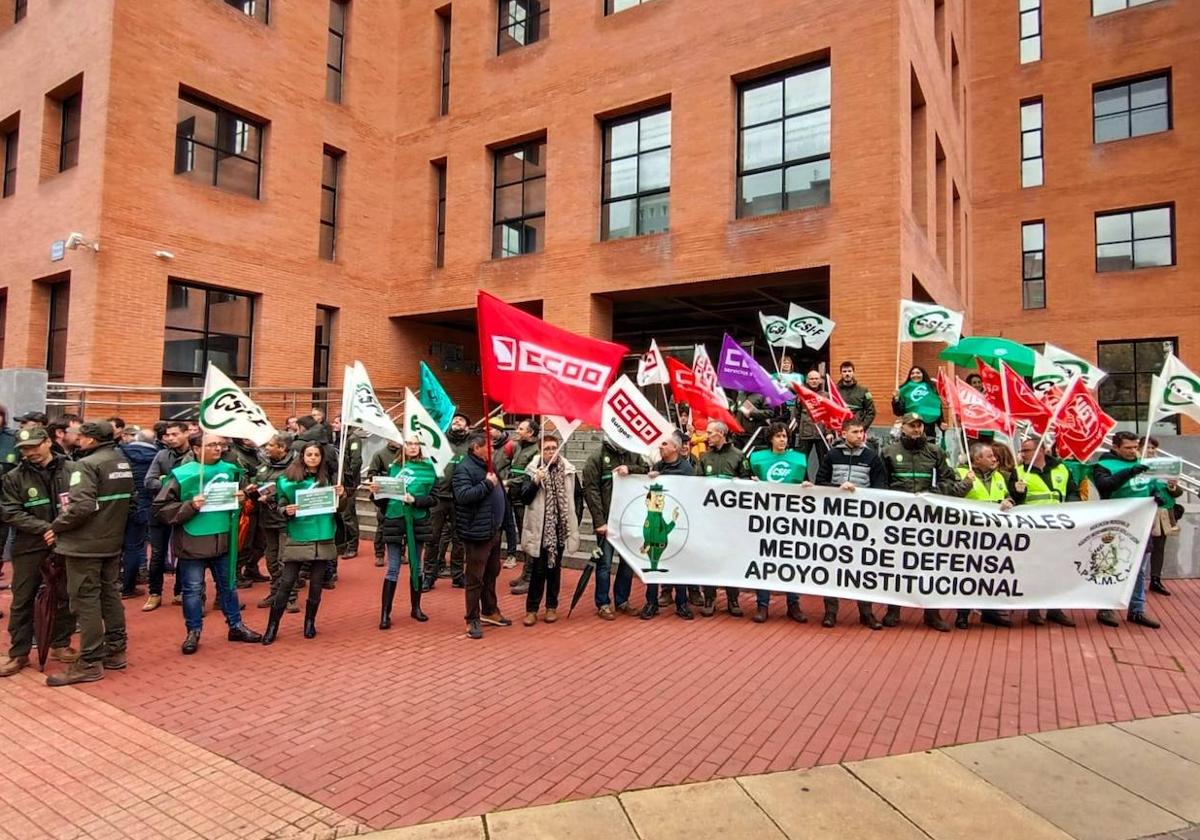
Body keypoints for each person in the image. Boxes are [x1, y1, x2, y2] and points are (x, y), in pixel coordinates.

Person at [152, 432, 263, 654]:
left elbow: (241, 501)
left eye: (220, 445)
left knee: (228, 587)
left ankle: (236, 626)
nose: (218, 449)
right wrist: (190, 506)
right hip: (192, 541)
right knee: (192, 590)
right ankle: (193, 631)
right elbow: (161, 510)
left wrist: (244, 496)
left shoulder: (231, 471)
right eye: (212, 445)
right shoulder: (182, 475)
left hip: (223, 540)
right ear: (195, 448)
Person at [45, 421, 133, 686]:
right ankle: (115, 649)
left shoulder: (85, 464)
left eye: (81, 436)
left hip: (85, 545)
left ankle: (90, 661)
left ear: (92, 440)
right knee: (109, 594)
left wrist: (56, 526)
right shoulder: (120, 461)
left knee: (86, 600)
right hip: (111, 540)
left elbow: (80, 506)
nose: (77, 439)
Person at [880, 413, 971, 632]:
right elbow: (880, 485)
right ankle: (893, 610)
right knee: (897, 566)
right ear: (903, 428)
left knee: (930, 566)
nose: (916, 430)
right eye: (912, 426)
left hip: (929, 520)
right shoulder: (888, 452)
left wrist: (933, 493)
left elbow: (949, 479)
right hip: (899, 520)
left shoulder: (935, 452)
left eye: (919, 426)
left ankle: (932, 613)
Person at [0, 427, 78, 677]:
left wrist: (60, 529)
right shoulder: (14, 477)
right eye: (24, 449)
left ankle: (60, 644)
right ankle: (18, 653)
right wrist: (46, 528)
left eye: (34, 446)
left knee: (65, 595)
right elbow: (10, 511)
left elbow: (84, 503)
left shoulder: (72, 469)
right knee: (23, 599)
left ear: (47, 442)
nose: (30, 452)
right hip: (29, 546)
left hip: (67, 543)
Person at [263, 443, 344, 644]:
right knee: (287, 581)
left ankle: (310, 622)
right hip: (298, 535)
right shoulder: (288, 480)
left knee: (316, 584)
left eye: (317, 454)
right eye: (309, 454)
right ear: (303, 456)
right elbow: (280, 503)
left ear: (321, 457)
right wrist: (285, 510)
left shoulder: (330, 479)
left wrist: (342, 496)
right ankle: (272, 626)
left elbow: (339, 509)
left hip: (323, 534)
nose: (313, 457)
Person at [814, 419, 886, 629]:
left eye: (862, 432)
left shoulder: (872, 457)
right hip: (835, 520)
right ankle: (830, 612)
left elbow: (880, 487)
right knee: (832, 565)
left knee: (863, 567)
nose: (860, 435)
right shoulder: (832, 455)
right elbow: (820, 482)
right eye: (855, 432)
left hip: (862, 521)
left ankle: (866, 612)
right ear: (844, 434)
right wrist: (838, 487)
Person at [1093, 432, 1162, 629]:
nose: (1133, 452)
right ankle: (1106, 608)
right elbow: (1105, 486)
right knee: (1112, 566)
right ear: (1115, 447)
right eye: (1128, 448)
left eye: (1135, 447)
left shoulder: (1143, 464)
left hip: (1141, 523)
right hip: (1116, 524)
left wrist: (1158, 494)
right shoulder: (1104, 465)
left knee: (1139, 569)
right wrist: (1130, 472)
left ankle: (1137, 610)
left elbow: (1153, 486)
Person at [953, 442, 1024, 630]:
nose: (995, 459)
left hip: (994, 534)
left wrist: (1011, 499)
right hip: (969, 533)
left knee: (993, 573)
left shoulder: (1000, 476)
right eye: (990, 456)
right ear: (977, 459)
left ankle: (990, 612)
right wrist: (966, 483)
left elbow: (1007, 497)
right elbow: (950, 497)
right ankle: (962, 614)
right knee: (967, 573)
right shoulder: (960, 474)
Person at [747, 422, 810, 624]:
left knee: (791, 560)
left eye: (785, 436)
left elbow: (806, 482)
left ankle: (793, 603)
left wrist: (808, 486)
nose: (782, 440)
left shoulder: (799, 460)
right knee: (764, 560)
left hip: (791, 517)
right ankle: (762, 604)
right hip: (766, 516)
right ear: (770, 439)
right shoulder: (757, 459)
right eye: (778, 436)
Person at [371, 435, 437, 629]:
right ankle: (385, 613)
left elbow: (434, 498)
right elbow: (382, 500)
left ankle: (416, 608)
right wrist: (376, 492)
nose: (413, 447)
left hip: (417, 521)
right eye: (409, 443)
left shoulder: (429, 469)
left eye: (417, 443)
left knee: (416, 566)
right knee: (393, 568)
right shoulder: (394, 468)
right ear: (403, 446)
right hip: (394, 519)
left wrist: (415, 500)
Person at [582, 433, 648, 620]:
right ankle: (603, 603)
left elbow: (646, 470)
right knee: (604, 564)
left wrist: (630, 468)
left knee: (627, 563)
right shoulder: (596, 458)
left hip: (628, 520)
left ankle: (622, 600)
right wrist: (599, 521)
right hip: (608, 522)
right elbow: (591, 490)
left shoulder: (633, 455)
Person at [452, 431, 511, 640]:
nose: (493, 450)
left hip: (493, 529)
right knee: (475, 576)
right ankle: (472, 618)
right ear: (476, 448)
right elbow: (463, 496)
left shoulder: (488, 466)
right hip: (477, 531)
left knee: (491, 572)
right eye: (489, 447)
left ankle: (489, 610)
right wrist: (487, 484)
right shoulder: (464, 469)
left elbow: (500, 494)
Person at [517, 435, 579, 626]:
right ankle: (532, 609)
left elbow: (577, 497)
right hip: (539, 528)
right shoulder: (532, 470)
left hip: (559, 527)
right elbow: (524, 498)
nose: (551, 452)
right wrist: (536, 481)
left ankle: (551, 606)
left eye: (554, 448)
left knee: (554, 569)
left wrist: (571, 520)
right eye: (547, 449)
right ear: (540, 451)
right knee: (538, 569)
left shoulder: (568, 470)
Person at [1015, 436, 1077, 627]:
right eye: (1022, 451)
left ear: (1040, 451)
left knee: (1058, 569)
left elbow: (1072, 492)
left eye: (1027, 450)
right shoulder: (1018, 473)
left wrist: (1074, 510)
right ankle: (1034, 609)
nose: (1022, 454)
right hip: (1033, 529)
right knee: (1035, 569)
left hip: (1059, 527)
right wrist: (1018, 492)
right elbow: (1013, 500)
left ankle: (1055, 609)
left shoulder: (1061, 469)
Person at [641, 432, 697, 620]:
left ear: (675, 447)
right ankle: (651, 602)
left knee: (678, 564)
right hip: (657, 522)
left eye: (664, 444)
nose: (660, 447)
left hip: (678, 523)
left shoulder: (686, 469)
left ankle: (682, 603)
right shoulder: (658, 466)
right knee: (653, 564)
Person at [142, 420, 191, 611]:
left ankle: (180, 591)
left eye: (175, 434)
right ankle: (155, 593)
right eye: (168, 435)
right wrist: (168, 483)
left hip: (183, 510)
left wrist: (166, 481)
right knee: (157, 554)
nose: (171, 438)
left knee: (183, 552)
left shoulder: (194, 456)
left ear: (186, 433)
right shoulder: (162, 455)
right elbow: (149, 481)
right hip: (160, 511)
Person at [699, 421, 745, 617]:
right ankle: (709, 597)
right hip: (710, 519)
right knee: (709, 558)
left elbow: (747, 483)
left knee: (731, 558)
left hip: (731, 520)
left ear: (721, 434)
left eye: (710, 433)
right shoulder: (704, 457)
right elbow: (695, 484)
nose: (707, 436)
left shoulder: (738, 456)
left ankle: (733, 599)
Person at [253, 433, 300, 614]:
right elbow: (257, 481)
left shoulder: (294, 468)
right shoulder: (265, 465)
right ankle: (275, 592)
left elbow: (295, 490)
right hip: (266, 519)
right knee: (271, 560)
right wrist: (253, 488)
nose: (267, 448)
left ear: (282, 448)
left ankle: (291, 597)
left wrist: (272, 496)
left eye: (271, 445)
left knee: (285, 559)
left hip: (285, 520)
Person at [424, 412, 471, 590]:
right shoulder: (440, 441)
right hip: (439, 496)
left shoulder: (471, 444)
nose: (457, 421)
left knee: (459, 539)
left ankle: (458, 575)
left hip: (461, 498)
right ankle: (429, 575)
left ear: (467, 426)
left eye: (461, 419)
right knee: (433, 537)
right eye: (455, 419)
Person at [118, 428, 158, 599]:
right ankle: (128, 587)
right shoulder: (158, 456)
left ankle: (112, 583)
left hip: (118, 505)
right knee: (134, 547)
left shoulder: (120, 453)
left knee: (114, 547)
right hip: (143, 506)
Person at [503, 419, 540, 595]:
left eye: (521, 428)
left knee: (529, 537)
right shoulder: (517, 446)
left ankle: (531, 577)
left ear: (531, 432)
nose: (517, 431)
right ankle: (525, 572)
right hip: (514, 497)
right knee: (523, 538)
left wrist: (509, 481)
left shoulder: (536, 451)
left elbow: (529, 475)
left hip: (526, 497)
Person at [1142, 436, 1182, 597]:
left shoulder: (1165, 466)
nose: (1150, 451)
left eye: (1153, 448)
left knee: (1159, 546)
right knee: (1141, 547)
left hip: (1164, 511)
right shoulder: (1135, 466)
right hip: (1143, 510)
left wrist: (1172, 486)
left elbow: (1178, 493)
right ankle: (1136, 579)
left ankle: (1156, 579)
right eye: (1147, 447)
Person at [367, 439, 402, 569]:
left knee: (400, 524)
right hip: (384, 495)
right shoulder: (379, 454)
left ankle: (401, 552)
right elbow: (372, 474)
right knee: (382, 524)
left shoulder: (404, 455)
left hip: (400, 494)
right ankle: (379, 553)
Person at [891, 367, 943, 441]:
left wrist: (941, 422)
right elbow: (898, 412)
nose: (915, 375)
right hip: (910, 425)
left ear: (923, 374)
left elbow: (936, 407)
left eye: (918, 373)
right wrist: (896, 399)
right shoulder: (904, 389)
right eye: (912, 373)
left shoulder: (931, 388)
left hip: (928, 428)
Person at [794, 370, 831, 469]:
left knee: (823, 461)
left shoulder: (826, 395)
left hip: (822, 433)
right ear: (807, 380)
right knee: (802, 461)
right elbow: (796, 414)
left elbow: (829, 415)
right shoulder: (801, 395)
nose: (814, 381)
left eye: (816, 378)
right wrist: (800, 428)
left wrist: (829, 432)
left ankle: (822, 482)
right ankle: (804, 480)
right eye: (811, 378)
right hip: (805, 433)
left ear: (820, 380)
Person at [835, 361, 877, 432]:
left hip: (857, 430)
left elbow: (871, 412)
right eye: (844, 371)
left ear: (853, 372)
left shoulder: (863, 390)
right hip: (840, 429)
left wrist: (863, 427)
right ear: (841, 373)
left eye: (849, 371)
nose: (847, 374)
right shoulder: (835, 391)